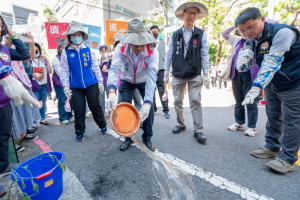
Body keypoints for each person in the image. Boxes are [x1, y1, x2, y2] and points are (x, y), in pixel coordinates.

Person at [236, 7, 300, 174]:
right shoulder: (251, 39)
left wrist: (256, 87)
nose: (247, 33)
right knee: (273, 115)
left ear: (262, 19)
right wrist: (243, 62)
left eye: (250, 27)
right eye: (242, 30)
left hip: (294, 82)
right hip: (273, 83)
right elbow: (249, 62)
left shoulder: (283, 33)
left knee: (292, 121)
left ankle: (287, 158)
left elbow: (272, 62)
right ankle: (271, 147)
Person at [106, 17, 158, 152]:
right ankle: (127, 137)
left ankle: (147, 137)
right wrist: (111, 91)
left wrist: (147, 103)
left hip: (144, 80)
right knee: (124, 108)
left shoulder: (153, 51)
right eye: (135, 44)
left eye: (142, 43)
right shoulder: (120, 48)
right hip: (126, 80)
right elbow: (114, 69)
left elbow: (152, 78)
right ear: (128, 41)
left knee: (149, 110)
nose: (139, 48)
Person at [164, 2, 210, 143]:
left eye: (194, 13)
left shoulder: (201, 34)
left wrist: (206, 74)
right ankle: (181, 123)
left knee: (195, 100)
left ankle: (198, 129)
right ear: (183, 15)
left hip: (195, 72)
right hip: (178, 73)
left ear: (197, 17)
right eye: (188, 12)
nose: (191, 15)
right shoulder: (175, 35)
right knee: (177, 100)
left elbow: (205, 54)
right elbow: (169, 54)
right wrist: (166, 74)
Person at [0, 15, 40, 179]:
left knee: (3, 135)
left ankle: (3, 166)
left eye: (0, 22)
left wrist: (12, 34)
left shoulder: (4, 49)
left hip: (4, 102)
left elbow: (24, 55)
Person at [60, 21, 107, 142]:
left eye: (78, 34)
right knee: (79, 109)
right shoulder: (66, 52)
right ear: (70, 36)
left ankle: (102, 125)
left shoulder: (89, 51)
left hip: (91, 84)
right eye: (73, 34)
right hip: (75, 86)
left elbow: (95, 68)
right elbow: (64, 71)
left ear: (82, 35)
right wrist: (65, 86)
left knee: (95, 106)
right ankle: (79, 131)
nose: (76, 37)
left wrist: (100, 82)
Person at [222, 25, 260, 136]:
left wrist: (255, 22)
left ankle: (252, 127)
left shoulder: (256, 41)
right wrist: (236, 24)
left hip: (250, 75)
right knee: (238, 101)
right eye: (241, 29)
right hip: (236, 75)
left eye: (246, 29)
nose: (244, 32)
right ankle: (239, 123)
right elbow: (224, 33)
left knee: (251, 101)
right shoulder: (236, 41)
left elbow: (275, 21)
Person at [150, 25, 170, 119]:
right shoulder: (147, 43)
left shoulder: (162, 43)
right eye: (153, 31)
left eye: (156, 31)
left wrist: (167, 70)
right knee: (151, 89)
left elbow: (167, 56)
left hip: (161, 69)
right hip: (150, 69)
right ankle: (153, 108)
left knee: (162, 89)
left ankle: (166, 110)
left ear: (158, 32)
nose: (155, 33)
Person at [30, 42, 52, 125]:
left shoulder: (42, 60)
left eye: (37, 50)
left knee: (43, 102)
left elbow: (49, 70)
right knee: (35, 103)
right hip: (34, 85)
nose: (36, 52)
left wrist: (46, 59)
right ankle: (35, 121)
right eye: (34, 50)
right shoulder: (29, 61)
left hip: (44, 85)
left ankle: (42, 118)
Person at [52, 43, 73, 124]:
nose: (64, 49)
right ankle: (63, 117)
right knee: (62, 99)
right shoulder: (56, 59)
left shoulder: (69, 57)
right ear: (59, 49)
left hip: (70, 82)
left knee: (69, 99)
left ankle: (69, 115)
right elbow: (60, 73)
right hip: (60, 83)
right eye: (62, 48)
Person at [98, 45, 110, 115]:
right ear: (100, 52)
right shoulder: (98, 61)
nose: (104, 52)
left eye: (105, 51)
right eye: (102, 51)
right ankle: (102, 112)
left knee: (110, 98)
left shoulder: (110, 60)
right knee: (101, 99)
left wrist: (107, 71)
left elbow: (115, 72)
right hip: (100, 83)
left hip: (109, 82)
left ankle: (111, 112)